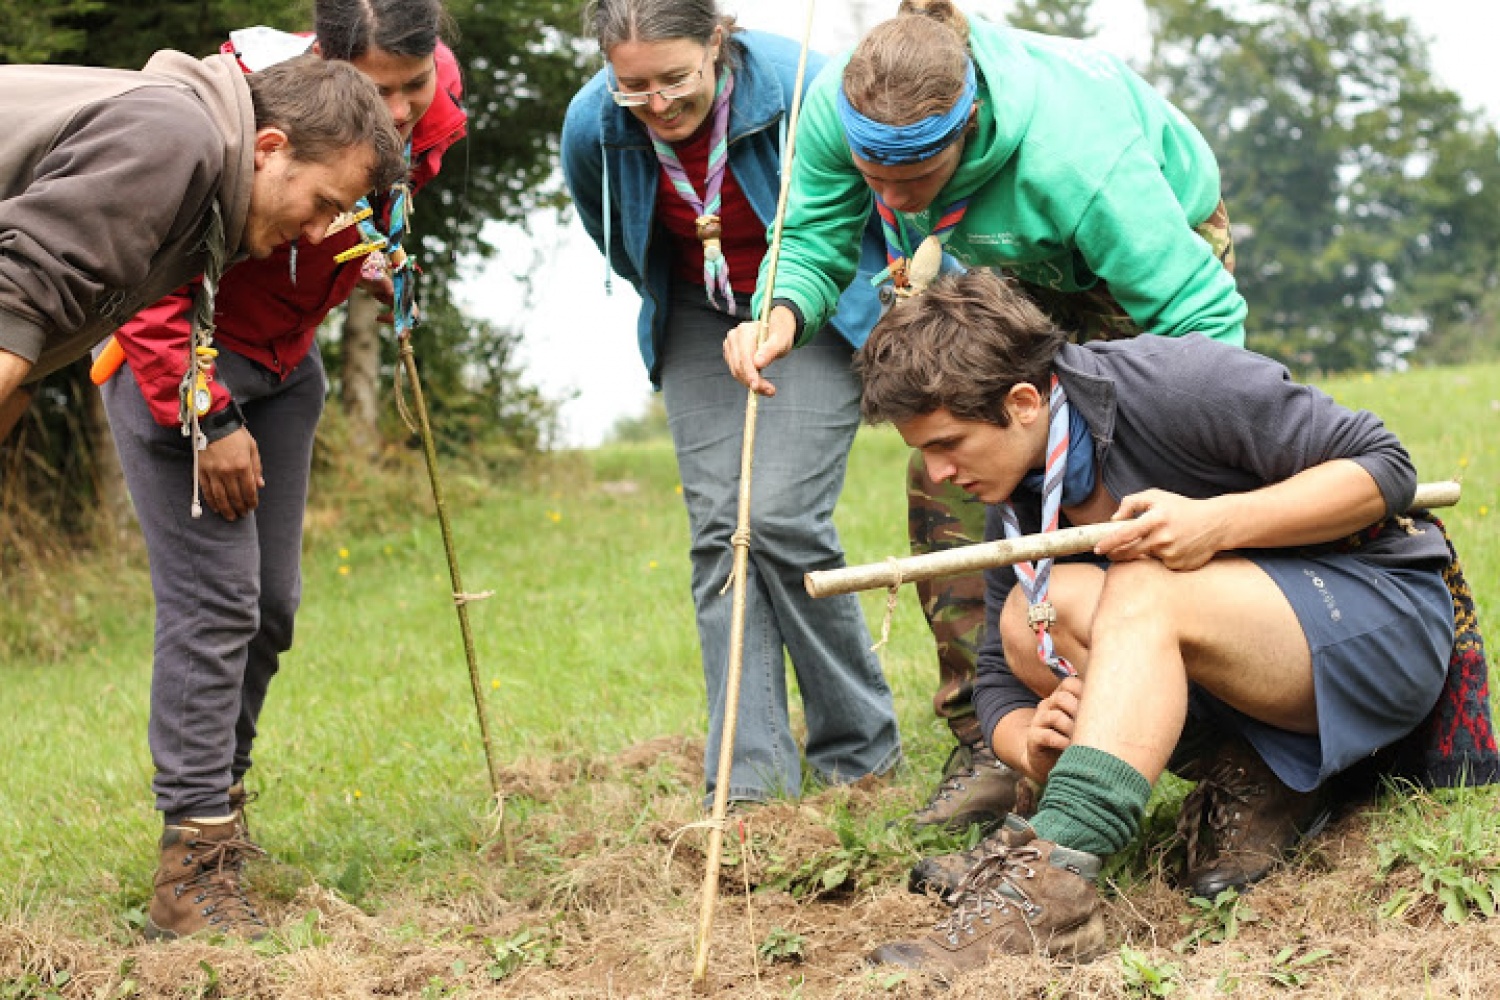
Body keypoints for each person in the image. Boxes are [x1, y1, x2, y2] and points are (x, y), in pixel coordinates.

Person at [722, 0, 1247, 834]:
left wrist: (1194, 454)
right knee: (952, 467)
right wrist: (778, 314)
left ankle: (1213, 724)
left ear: (966, 130)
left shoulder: (1078, 154)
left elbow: (1201, 324)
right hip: (1005, 269)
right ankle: (993, 742)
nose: (890, 196)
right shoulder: (834, 111)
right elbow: (813, 234)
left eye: (914, 178)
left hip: (1146, 269)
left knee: (1130, 464)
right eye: (873, 175)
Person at [853, 268, 1474, 971]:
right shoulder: (1019, 489)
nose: (937, 474)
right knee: (1032, 615)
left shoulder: (1177, 383)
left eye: (947, 444)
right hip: (1251, 656)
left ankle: (1052, 890)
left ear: (1022, 402)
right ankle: (1257, 773)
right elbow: (1000, 669)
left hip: (1377, 622)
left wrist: (1220, 521)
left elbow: (1386, 466)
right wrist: (1027, 739)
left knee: (1144, 585)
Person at [95, 0, 465, 942]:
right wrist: (208, 414)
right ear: (325, 63)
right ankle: (189, 870)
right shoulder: (220, 111)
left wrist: (363, 253)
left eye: (413, 88)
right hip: (180, 361)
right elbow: (141, 275)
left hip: (286, 365)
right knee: (215, 600)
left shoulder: (430, 97)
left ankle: (219, 816)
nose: (398, 112)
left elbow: (354, 197)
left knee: (269, 604)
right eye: (377, 92)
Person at [561, 0, 902, 809]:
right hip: (698, 309)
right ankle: (749, 779)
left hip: (816, 300)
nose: (656, 103)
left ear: (717, 40)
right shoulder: (591, 124)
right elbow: (617, 236)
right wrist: (707, 299)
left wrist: (798, 308)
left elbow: (879, 210)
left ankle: (859, 754)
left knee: (779, 516)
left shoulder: (806, 88)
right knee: (721, 530)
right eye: (632, 85)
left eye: (674, 78)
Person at [0, 52, 403, 431]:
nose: (317, 234)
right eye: (323, 204)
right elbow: (19, 303)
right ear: (269, 148)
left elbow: (32, 340)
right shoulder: (173, 139)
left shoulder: (212, 199)